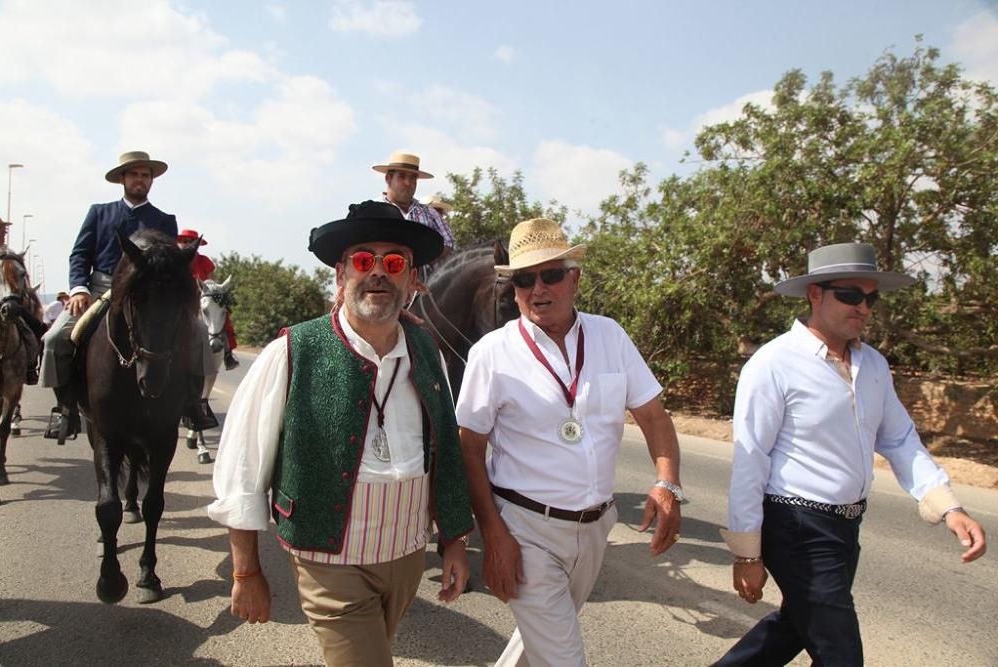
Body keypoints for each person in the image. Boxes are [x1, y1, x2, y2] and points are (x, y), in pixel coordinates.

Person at [207, 200, 474, 666]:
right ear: (339, 276)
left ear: (412, 280)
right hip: (329, 559)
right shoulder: (293, 349)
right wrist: (245, 570)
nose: (377, 273)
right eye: (362, 260)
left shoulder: (427, 350)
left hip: (408, 556)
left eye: (393, 263)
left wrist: (453, 540)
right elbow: (243, 468)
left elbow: (446, 448)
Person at [715, 242, 988, 666]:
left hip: (845, 528)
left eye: (871, 297)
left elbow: (898, 439)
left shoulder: (873, 365)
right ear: (815, 295)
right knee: (840, 654)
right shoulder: (773, 364)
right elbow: (751, 461)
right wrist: (747, 553)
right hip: (796, 527)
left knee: (795, 628)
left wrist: (948, 506)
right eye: (850, 295)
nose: (863, 307)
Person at [455, 218, 683, 667]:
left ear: (574, 277)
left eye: (550, 274)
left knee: (539, 646)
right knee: (563, 658)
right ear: (513, 288)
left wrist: (667, 483)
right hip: (526, 529)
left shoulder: (610, 336)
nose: (537, 288)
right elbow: (469, 448)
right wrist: (493, 534)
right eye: (523, 279)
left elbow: (654, 417)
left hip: (597, 527)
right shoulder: (491, 354)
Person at [39, 150, 213, 436]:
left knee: (198, 333)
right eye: (134, 174)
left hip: (148, 295)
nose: (140, 180)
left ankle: (194, 405)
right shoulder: (99, 212)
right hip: (101, 290)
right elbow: (80, 254)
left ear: (151, 181)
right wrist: (79, 289)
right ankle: (65, 409)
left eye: (146, 175)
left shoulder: (165, 219)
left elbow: (171, 265)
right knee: (56, 339)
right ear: (122, 178)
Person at [373, 151, 455, 260]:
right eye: (401, 176)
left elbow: (449, 243)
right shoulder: (372, 210)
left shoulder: (430, 213)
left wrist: (424, 257)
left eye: (413, 178)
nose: (408, 182)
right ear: (388, 178)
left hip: (426, 277)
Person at [176, 228, 239, 370]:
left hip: (203, 296)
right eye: (184, 241)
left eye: (191, 242)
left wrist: (212, 293)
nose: (186, 244)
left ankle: (228, 354)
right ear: (179, 243)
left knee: (223, 314)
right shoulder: (176, 261)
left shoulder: (204, 261)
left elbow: (210, 281)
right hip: (181, 297)